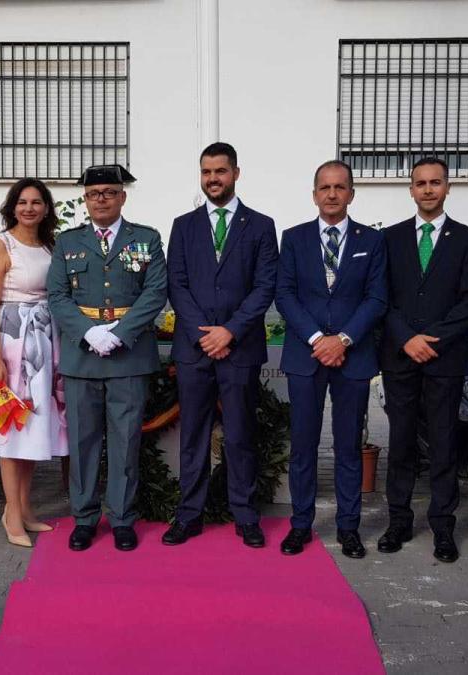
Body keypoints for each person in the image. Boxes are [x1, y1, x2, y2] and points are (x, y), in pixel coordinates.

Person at [162, 142, 278, 548]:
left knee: (241, 433)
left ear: (236, 173)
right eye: (207, 172)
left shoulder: (261, 226)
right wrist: (203, 333)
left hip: (239, 348)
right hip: (194, 350)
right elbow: (176, 284)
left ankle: (245, 515)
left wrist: (229, 331)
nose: (213, 179)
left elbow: (265, 287)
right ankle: (189, 515)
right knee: (192, 434)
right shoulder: (184, 225)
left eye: (220, 171)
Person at [46, 164, 167, 552]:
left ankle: (122, 518)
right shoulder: (67, 242)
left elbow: (155, 292)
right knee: (82, 442)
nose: (101, 199)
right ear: (85, 199)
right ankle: (84, 517)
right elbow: (58, 296)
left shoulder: (146, 239)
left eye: (109, 192)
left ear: (122, 197)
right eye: (94, 193)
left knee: (125, 441)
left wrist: (119, 333)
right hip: (83, 356)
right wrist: (88, 333)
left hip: (128, 356)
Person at [274, 160, 387, 559]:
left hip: (352, 358)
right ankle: (301, 525)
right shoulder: (294, 238)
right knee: (303, 445)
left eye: (340, 187)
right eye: (325, 187)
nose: (332, 194)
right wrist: (318, 338)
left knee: (348, 446)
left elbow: (377, 298)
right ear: (315, 194)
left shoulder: (372, 242)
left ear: (351, 193)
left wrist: (343, 339)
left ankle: (348, 527)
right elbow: (284, 294)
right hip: (306, 355)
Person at [377, 157, 468, 563]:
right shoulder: (390, 238)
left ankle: (443, 526)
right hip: (400, 356)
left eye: (435, 182)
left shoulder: (467, 238)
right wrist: (407, 338)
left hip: (444, 357)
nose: (427, 189)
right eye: (420, 183)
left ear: (447, 187)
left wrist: (432, 340)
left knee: (443, 442)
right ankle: (399, 521)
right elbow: (381, 296)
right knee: (401, 441)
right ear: (410, 189)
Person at [0, 178, 69, 548]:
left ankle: (25, 508)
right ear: (12, 206)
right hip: (12, 341)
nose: (29, 208)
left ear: (46, 208)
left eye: (36, 202)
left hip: (44, 340)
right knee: (13, 430)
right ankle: (11, 514)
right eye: (22, 202)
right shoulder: (1, 244)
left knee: (34, 429)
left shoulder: (49, 245)